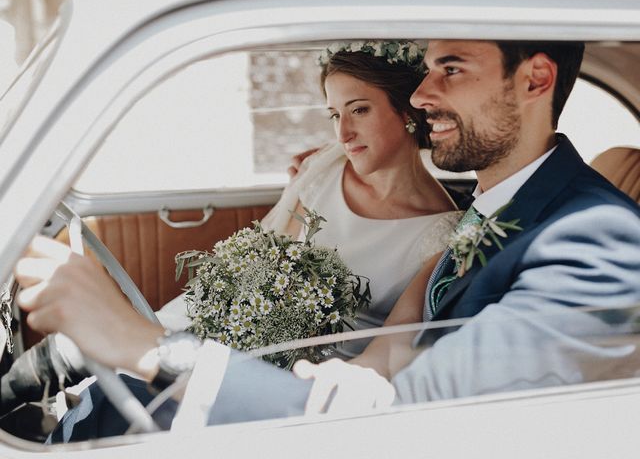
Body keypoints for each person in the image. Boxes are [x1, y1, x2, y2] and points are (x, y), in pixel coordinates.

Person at [14, 39, 640, 440]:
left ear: (535, 80)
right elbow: (398, 348)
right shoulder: (498, 201)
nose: (422, 96)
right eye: (427, 72)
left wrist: (145, 344)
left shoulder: (599, 237)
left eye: (452, 70)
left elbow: (406, 426)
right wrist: (351, 369)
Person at [158, 40, 460, 357]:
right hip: (257, 335)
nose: (343, 133)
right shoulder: (326, 168)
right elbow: (268, 262)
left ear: (406, 111)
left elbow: (395, 344)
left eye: (359, 110)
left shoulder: (441, 232)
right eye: (334, 115)